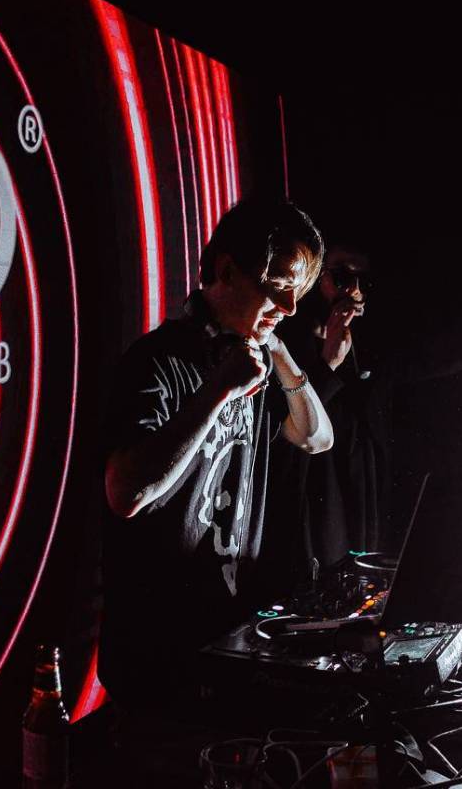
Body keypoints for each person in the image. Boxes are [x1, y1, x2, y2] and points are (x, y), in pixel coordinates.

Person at [99, 199, 332, 711]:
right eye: (278, 286)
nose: (290, 307)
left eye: (296, 293)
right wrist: (218, 391)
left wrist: (276, 348)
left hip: (227, 646)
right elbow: (125, 492)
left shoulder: (251, 359)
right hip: (156, 657)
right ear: (226, 271)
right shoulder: (157, 361)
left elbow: (318, 437)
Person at [264, 243, 462, 582]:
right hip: (310, 499)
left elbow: (435, 352)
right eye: (341, 277)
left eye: (363, 282)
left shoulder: (369, 342)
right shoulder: (283, 340)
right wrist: (328, 362)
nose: (353, 291)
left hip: (365, 493)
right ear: (315, 278)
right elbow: (288, 429)